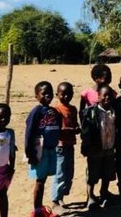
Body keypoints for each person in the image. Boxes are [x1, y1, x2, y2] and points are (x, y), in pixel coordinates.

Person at [25, 81, 61, 217]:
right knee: (39, 181)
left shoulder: (53, 111)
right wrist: (30, 153)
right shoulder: (36, 112)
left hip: (51, 149)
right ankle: (37, 211)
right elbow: (29, 132)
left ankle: (40, 209)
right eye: (43, 93)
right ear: (36, 96)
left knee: (44, 179)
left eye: (50, 93)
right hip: (39, 151)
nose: (47, 96)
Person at [80, 85, 116, 210]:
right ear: (98, 97)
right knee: (92, 175)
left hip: (109, 148)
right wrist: (87, 147)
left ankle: (104, 193)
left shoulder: (113, 111)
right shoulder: (91, 112)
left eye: (109, 95)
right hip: (95, 149)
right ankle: (90, 197)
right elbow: (85, 131)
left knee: (107, 174)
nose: (107, 98)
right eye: (104, 95)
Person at [52, 82, 80, 214]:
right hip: (59, 146)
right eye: (63, 94)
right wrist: (69, 130)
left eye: (69, 94)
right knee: (60, 174)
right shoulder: (56, 110)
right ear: (57, 94)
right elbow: (55, 129)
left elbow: (75, 123)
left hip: (70, 145)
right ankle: (55, 201)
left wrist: (77, 129)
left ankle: (61, 198)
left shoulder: (73, 109)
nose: (66, 96)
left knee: (69, 173)